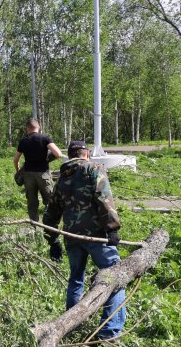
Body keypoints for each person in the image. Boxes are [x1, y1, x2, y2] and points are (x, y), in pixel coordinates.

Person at [43, 140, 125, 341]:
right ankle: (109, 332)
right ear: (86, 154)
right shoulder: (94, 169)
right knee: (116, 277)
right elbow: (104, 198)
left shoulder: (62, 177)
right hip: (96, 235)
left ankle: (70, 325)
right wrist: (112, 228)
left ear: (71, 155)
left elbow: (51, 211)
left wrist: (52, 240)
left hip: (72, 237)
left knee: (76, 278)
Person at [13, 118, 63, 222]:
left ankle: (34, 226)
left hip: (28, 176)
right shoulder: (45, 138)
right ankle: (49, 225)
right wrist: (47, 158)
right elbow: (58, 154)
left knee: (32, 202)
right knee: (49, 200)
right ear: (38, 127)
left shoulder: (23, 140)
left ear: (27, 128)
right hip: (43, 174)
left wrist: (18, 170)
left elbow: (16, 159)